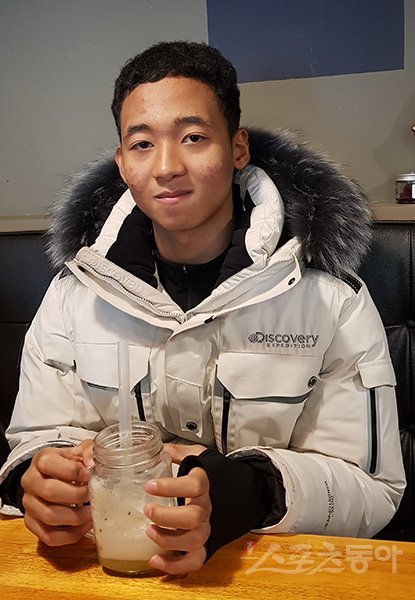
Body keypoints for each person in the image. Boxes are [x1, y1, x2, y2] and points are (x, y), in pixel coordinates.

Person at [0, 41, 406, 575]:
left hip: (267, 573)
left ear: (237, 149)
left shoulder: (330, 300)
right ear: (122, 163)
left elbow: (373, 489)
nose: (167, 166)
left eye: (193, 137)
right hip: (112, 566)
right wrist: (33, 479)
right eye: (142, 144)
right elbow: (36, 439)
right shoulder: (74, 295)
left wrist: (249, 492)